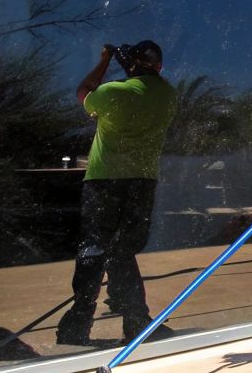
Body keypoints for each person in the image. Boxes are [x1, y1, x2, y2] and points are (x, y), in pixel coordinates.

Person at [57, 40, 178, 346]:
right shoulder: (168, 95)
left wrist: (105, 61)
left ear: (131, 66)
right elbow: (148, 85)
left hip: (104, 180)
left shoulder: (113, 92)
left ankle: (78, 322)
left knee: (94, 249)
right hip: (143, 180)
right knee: (122, 250)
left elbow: (84, 92)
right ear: (159, 67)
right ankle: (136, 321)